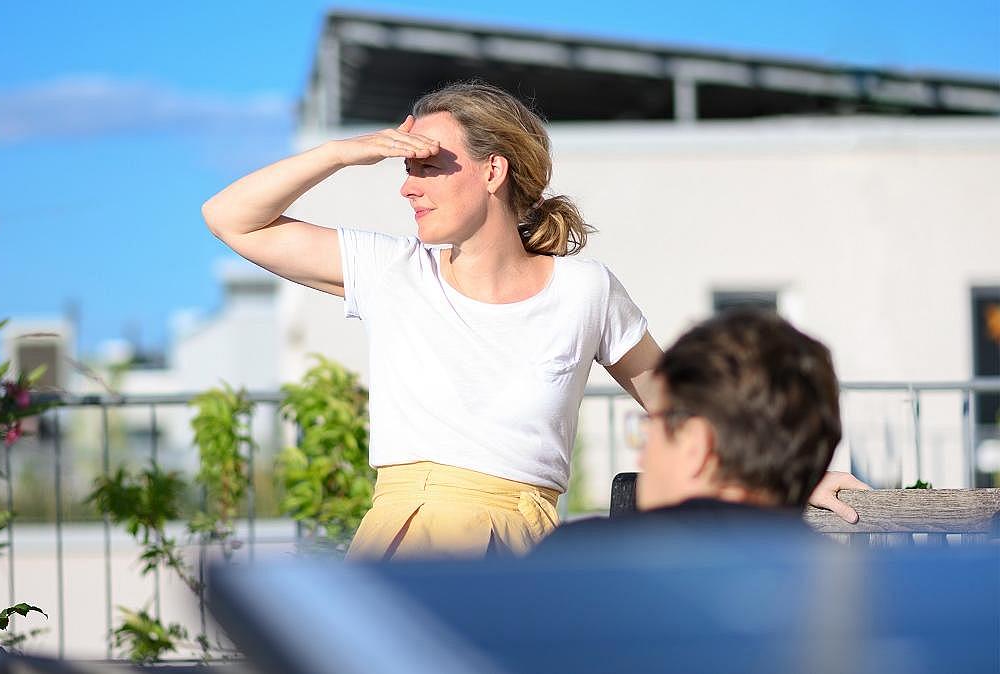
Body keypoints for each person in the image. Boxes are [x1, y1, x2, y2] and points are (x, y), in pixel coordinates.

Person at [202, 81, 865, 561]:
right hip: (409, 544)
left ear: (493, 170)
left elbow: (689, 409)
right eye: (405, 168)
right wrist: (343, 153)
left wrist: (797, 475)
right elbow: (230, 217)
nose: (407, 186)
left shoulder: (585, 290)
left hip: (531, 549)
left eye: (426, 165)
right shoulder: (393, 270)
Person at [536, 308, 849, 554]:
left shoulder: (579, 559)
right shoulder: (858, 587)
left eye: (652, 426)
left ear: (695, 445)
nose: (643, 456)